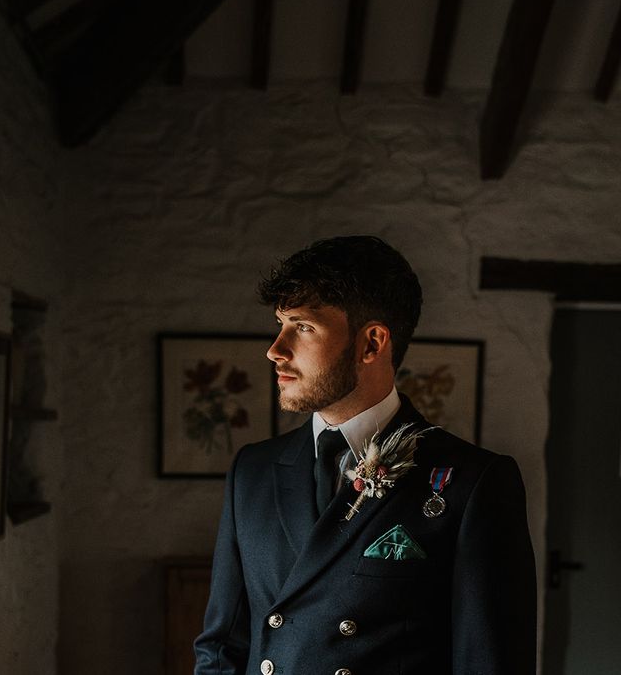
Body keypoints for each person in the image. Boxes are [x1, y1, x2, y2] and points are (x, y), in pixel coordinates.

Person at [194, 235, 536, 675]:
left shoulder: (474, 482)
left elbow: (491, 663)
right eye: (280, 324)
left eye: (303, 327)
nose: (275, 350)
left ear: (371, 344)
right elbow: (221, 649)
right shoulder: (252, 471)